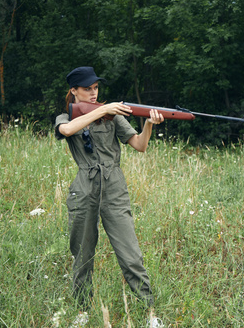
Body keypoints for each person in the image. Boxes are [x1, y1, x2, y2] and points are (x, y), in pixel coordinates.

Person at [54, 66, 164, 328]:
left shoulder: (113, 115)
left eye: (96, 88)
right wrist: (104, 109)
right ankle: (82, 312)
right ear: (73, 91)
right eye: (87, 89)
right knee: (82, 254)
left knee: (130, 254)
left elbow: (140, 145)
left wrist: (148, 123)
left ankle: (150, 315)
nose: (94, 93)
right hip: (84, 187)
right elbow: (67, 130)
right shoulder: (68, 116)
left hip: (114, 187)